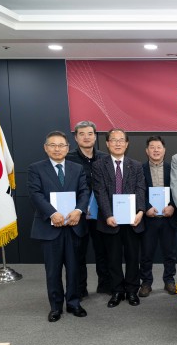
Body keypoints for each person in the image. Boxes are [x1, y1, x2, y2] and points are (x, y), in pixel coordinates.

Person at [28, 131, 89, 322]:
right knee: (53, 270)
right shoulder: (36, 168)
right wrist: (52, 213)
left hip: (73, 225)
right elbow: (35, 194)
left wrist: (78, 210)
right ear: (46, 148)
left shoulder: (77, 168)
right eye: (53, 145)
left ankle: (73, 303)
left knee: (74, 268)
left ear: (67, 148)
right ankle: (55, 306)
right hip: (50, 228)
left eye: (61, 145)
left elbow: (84, 192)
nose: (57, 149)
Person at [92, 128, 146, 308]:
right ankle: (117, 291)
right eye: (113, 140)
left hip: (132, 220)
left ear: (127, 143)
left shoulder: (136, 165)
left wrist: (140, 211)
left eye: (121, 140)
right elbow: (100, 192)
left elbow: (140, 189)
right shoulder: (99, 165)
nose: (117, 143)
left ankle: (132, 290)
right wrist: (108, 215)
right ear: (107, 144)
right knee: (113, 258)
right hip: (110, 220)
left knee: (132, 257)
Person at [66, 120, 111, 296]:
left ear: (95, 136)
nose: (86, 137)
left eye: (90, 134)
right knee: (78, 253)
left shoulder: (105, 158)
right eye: (82, 134)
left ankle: (105, 285)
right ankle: (80, 289)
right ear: (76, 138)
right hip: (78, 213)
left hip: (102, 213)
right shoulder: (68, 158)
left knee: (103, 251)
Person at [139, 136, 177, 298]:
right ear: (147, 151)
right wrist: (146, 208)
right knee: (146, 253)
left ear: (164, 150)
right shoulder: (140, 169)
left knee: (169, 252)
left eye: (159, 147)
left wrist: (173, 206)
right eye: (152, 147)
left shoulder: (173, 169)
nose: (155, 150)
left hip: (168, 217)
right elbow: (138, 191)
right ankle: (146, 282)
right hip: (149, 218)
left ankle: (169, 280)